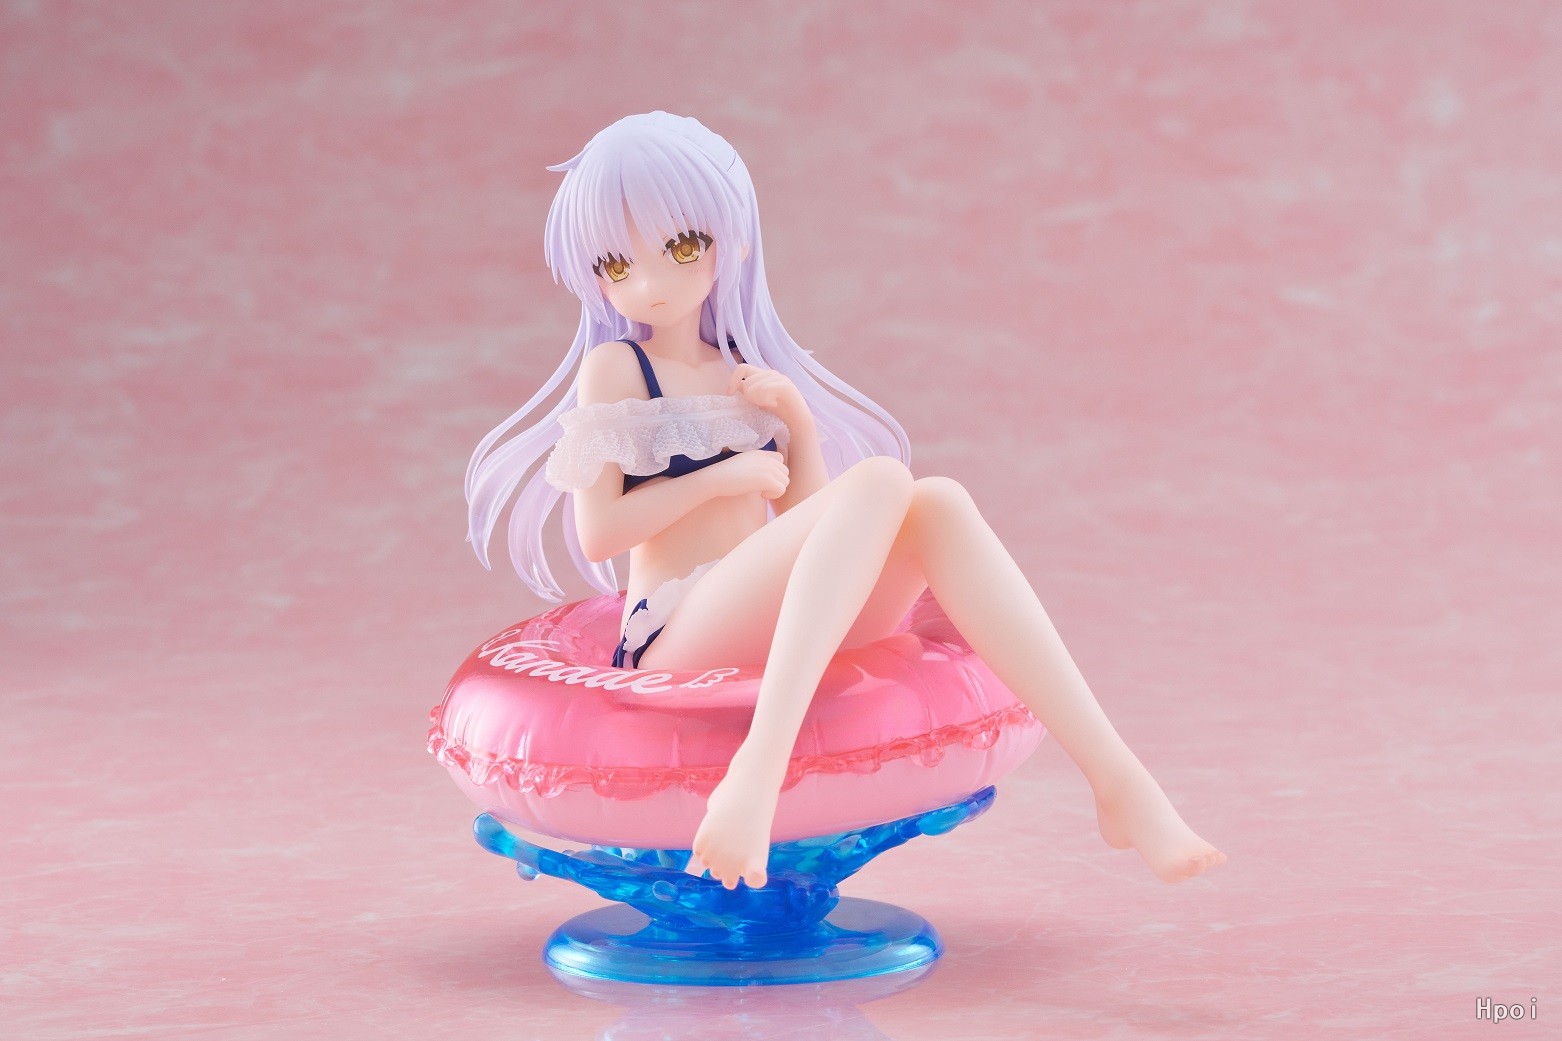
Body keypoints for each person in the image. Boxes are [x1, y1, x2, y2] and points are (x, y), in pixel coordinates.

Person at [466, 111, 1226, 892]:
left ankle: (1119, 780)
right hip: (675, 630)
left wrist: (795, 423)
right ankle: (756, 774)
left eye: (680, 248)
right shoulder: (618, 369)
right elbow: (600, 532)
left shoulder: (741, 368)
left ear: (732, 242)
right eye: (617, 264)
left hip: (767, 619)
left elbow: (817, 527)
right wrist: (718, 480)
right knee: (885, 481)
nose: (650, 284)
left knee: (936, 503)